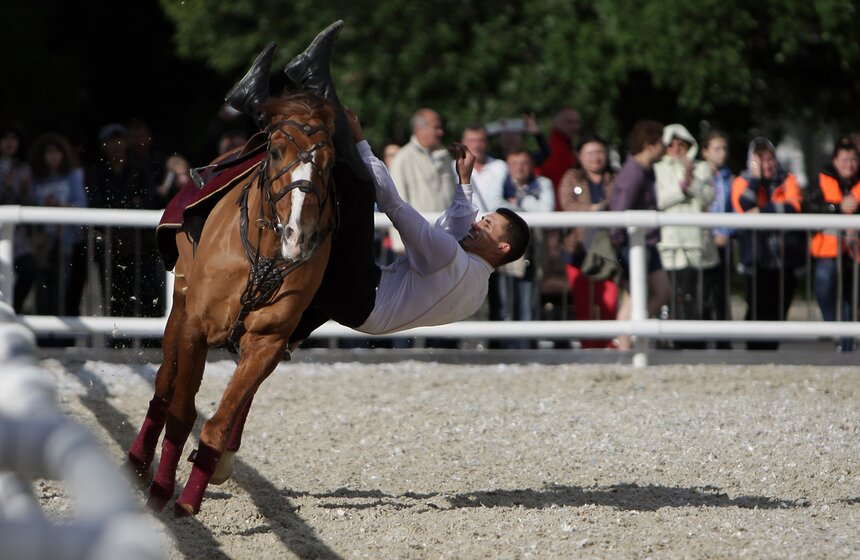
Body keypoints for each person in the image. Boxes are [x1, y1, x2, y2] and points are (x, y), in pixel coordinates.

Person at [731, 137, 804, 350]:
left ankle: (770, 356)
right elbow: (744, 204)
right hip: (756, 260)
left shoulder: (788, 179)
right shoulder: (742, 182)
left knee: (779, 311)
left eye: (770, 159)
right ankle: (754, 355)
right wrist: (755, 180)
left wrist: (762, 212)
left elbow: (793, 207)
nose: (768, 165)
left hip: (785, 260)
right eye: (760, 160)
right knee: (757, 308)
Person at [654, 124, 719, 349]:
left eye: (681, 144)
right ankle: (670, 339)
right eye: (671, 144)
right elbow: (659, 199)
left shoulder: (701, 168)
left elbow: (709, 196)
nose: (676, 148)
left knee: (696, 295)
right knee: (671, 294)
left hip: (696, 244)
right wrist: (681, 189)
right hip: (670, 243)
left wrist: (690, 180)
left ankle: (695, 342)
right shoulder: (658, 168)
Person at [610, 120, 671, 351]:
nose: (664, 148)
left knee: (661, 290)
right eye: (660, 143)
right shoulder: (633, 172)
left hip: (646, 242)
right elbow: (620, 208)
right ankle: (625, 342)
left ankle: (631, 335)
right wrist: (618, 241)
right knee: (634, 295)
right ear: (648, 145)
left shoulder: (644, 170)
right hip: (634, 244)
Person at [558, 135, 618, 348]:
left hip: (608, 249)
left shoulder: (615, 178)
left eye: (599, 152)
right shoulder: (571, 178)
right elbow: (567, 205)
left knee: (610, 302)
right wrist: (595, 209)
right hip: (577, 249)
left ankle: (609, 346)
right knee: (584, 303)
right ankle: (588, 347)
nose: (596, 157)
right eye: (590, 153)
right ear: (580, 156)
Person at [805, 137, 860, 351]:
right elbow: (810, 207)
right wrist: (837, 208)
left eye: (854, 159)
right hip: (828, 252)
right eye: (844, 159)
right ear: (835, 161)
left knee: (851, 300)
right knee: (826, 281)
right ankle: (834, 329)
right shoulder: (820, 180)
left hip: (855, 254)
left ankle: (846, 346)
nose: (849, 164)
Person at [27, 133, 88, 317]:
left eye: (57, 152)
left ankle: (60, 340)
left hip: (66, 240)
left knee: (62, 289)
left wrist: (59, 206)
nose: (54, 156)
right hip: (42, 241)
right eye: (49, 152)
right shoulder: (36, 178)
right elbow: (30, 204)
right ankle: (44, 338)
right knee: (43, 289)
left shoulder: (74, 175)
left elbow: (82, 204)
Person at [698, 130, 734, 348]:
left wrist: (725, 232)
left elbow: (732, 209)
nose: (722, 153)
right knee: (702, 290)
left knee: (721, 291)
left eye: (724, 148)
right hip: (702, 239)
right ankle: (699, 338)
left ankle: (723, 340)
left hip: (721, 240)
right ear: (705, 152)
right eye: (717, 149)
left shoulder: (729, 177)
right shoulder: (698, 176)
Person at [0, 121, 34, 313]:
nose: (9, 143)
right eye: (5, 138)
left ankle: (12, 310)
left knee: (28, 270)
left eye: (13, 138)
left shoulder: (23, 168)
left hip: (18, 235)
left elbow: (28, 201)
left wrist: (23, 190)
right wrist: (5, 184)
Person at [537, 107, 581, 209]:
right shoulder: (555, 148)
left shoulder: (567, 147)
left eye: (577, 122)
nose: (575, 126)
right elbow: (556, 181)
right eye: (569, 122)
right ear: (556, 123)